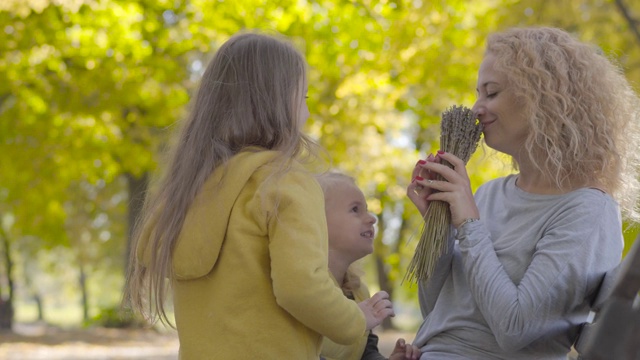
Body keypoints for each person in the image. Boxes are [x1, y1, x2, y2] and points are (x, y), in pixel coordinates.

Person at [124, 31, 395, 359]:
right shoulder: (284, 183)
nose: (307, 114)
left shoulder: (189, 191)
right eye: (304, 99)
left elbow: (147, 250)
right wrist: (356, 318)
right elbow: (301, 287)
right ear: (279, 104)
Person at [407, 26, 640, 359]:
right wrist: (439, 224)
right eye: (478, 93)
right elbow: (438, 314)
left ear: (540, 97)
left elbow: (515, 329)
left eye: (491, 93)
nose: (476, 109)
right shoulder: (487, 195)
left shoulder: (587, 210)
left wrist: (469, 224)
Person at [317, 172, 421, 360]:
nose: (372, 218)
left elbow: (365, 352)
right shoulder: (305, 289)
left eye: (366, 209)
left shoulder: (359, 292)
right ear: (317, 222)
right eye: (355, 209)